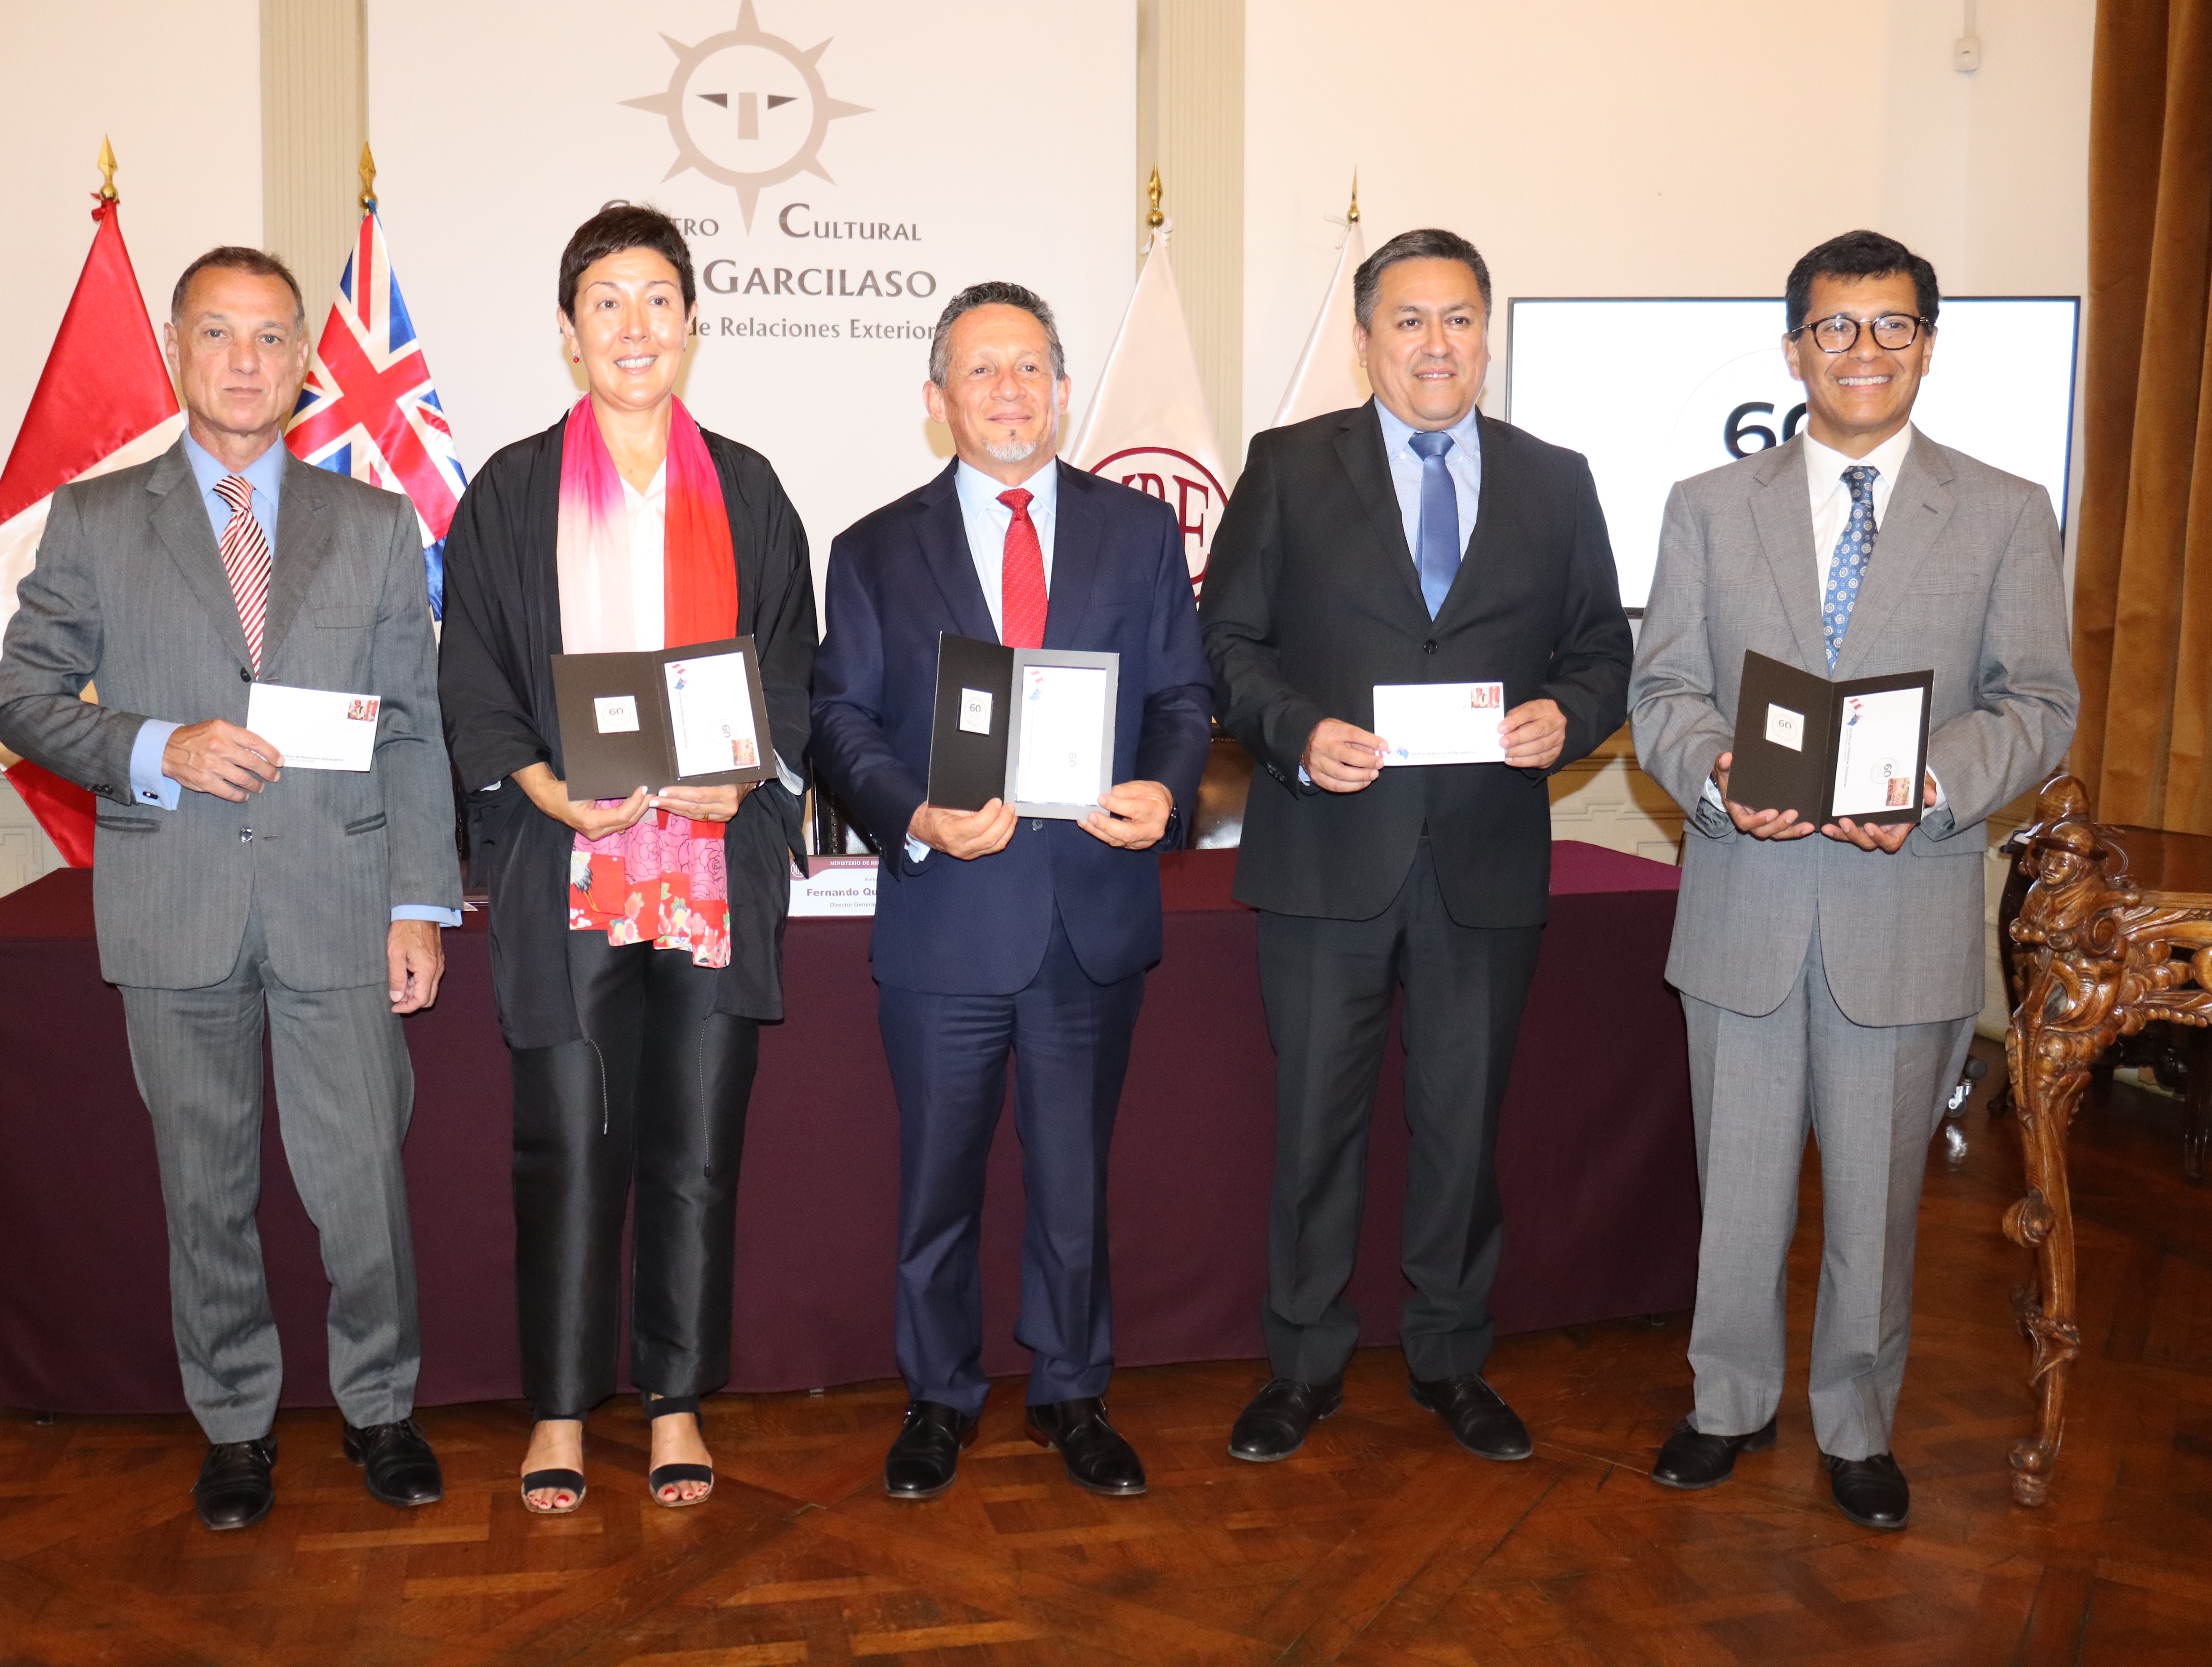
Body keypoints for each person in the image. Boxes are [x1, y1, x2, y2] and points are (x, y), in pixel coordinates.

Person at [0, 248, 460, 1530]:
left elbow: (414, 727)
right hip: (174, 907)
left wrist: (419, 901)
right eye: (218, 334)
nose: (245, 362)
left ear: (308, 360)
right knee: (205, 1191)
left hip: (340, 904)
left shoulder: (370, 526)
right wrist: (157, 746)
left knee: (361, 1178)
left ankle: (379, 1410)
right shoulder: (95, 521)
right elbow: (20, 698)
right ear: (178, 349)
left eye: (270, 338)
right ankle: (237, 1428)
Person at [1630, 230, 2076, 1529]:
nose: (1864, 352)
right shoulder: (1707, 508)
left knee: (1882, 1204)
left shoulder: (2004, 512)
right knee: (1742, 1190)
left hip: (1906, 900)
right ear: (1794, 349)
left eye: (1891, 328)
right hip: (1746, 903)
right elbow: (1664, 689)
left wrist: (1934, 787)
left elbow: (2040, 706)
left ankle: (1859, 1425)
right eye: (1838, 328)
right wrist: (1714, 771)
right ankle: (1725, 1402)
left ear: (1927, 346)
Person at [1197, 229, 1631, 1467]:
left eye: (1458, 320)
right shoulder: (1288, 467)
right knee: (1312, 1132)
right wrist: (1293, 731)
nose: (1436, 344)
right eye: (1409, 321)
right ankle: (1301, 1369)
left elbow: (1604, 649)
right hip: (1329, 855)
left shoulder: (1558, 480)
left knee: (1463, 1131)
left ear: (1486, 333)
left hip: (1485, 863)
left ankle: (1451, 1360)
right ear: (1367, 338)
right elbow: (1224, 643)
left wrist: (1573, 716)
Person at [437, 205, 815, 1514]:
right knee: (567, 1140)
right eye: (608, 302)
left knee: (697, 1148)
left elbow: (791, 672)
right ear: (567, 333)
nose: (636, 327)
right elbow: (473, 674)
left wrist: (741, 771)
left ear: (693, 326)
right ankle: (554, 1408)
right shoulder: (512, 492)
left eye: (659, 299)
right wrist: (545, 787)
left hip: (710, 873)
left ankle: (673, 1399)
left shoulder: (750, 489)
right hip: (571, 864)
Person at [809, 281, 1214, 1501]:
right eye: (981, 371)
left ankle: (1073, 1393)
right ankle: (938, 1397)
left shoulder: (1136, 534)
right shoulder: (876, 548)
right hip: (948, 919)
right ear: (938, 402)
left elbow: (1182, 699)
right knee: (938, 1182)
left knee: (1075, 1184)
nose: (1009, 391)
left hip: (1090, 914)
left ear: (1064, 389)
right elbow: (839, 722)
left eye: (1031, 367)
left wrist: (1166, 790)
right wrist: (914, 815)